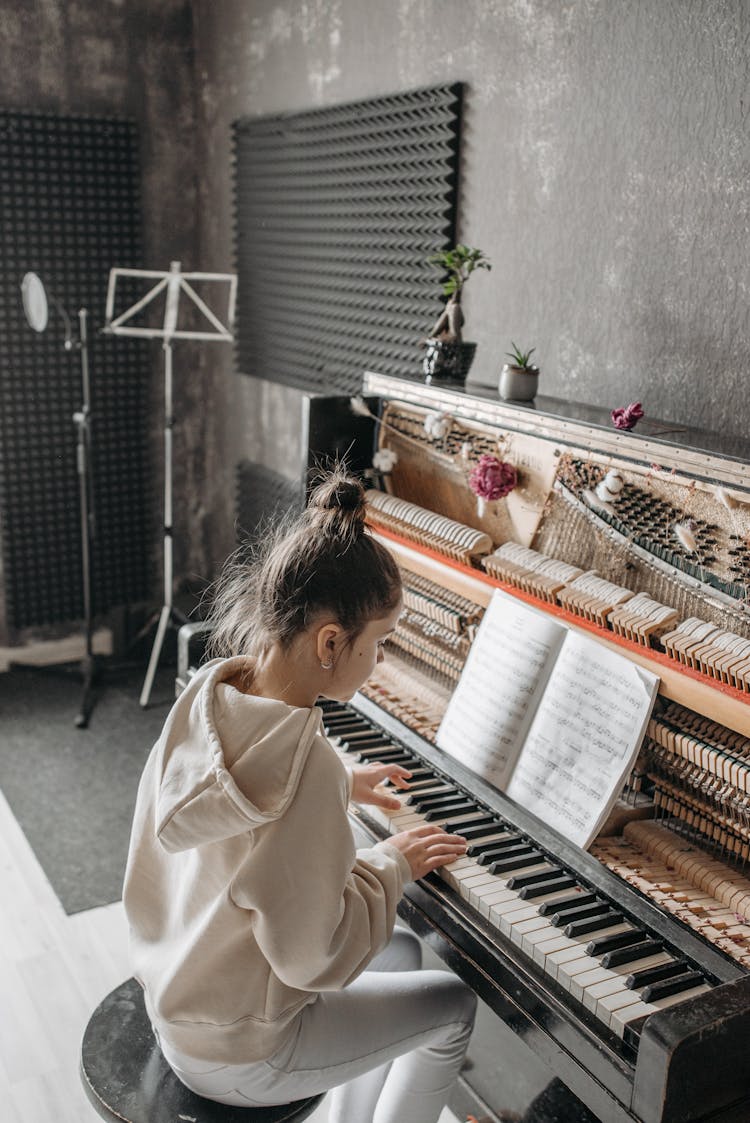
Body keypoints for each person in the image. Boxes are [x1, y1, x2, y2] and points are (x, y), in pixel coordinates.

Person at [123, 469, 477, 1123]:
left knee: (399, 951)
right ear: (331, 642)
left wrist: (341, 784)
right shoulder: (305, 769)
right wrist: (391, 863)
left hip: (183, 1002)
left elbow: (251, 824)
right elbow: (313, 959)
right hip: (244, 1053)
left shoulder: (209, 693)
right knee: (454, 1006)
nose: (379, 664)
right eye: (378, 646)